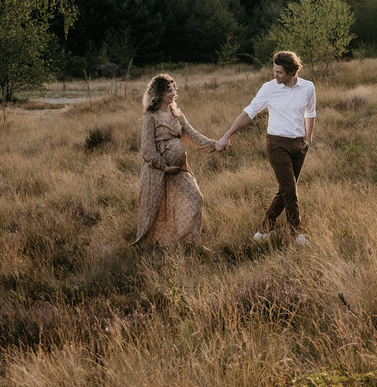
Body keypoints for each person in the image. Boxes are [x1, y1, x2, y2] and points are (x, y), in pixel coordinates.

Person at [215, 51, 316, 245]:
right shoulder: (269, 89)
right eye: (274, 71)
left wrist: (309, 138)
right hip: (277, 144)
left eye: (279, 72)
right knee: (290, 190)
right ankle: (297, 234)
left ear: (291, 71)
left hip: (299, 145)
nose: (275, 75)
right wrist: (227, 135)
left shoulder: (308, 87)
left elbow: (310, 113)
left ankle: (263, 231)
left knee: (286, 189)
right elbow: (248, 113)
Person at [134, 74, 217, 248]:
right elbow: (147, 149)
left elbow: (192, 134)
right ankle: (149, 245)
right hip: (156, 171)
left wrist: (215, 144)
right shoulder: (151, 117)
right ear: (159, 93)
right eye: (168, 91)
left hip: (178, 168)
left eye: (173, 90)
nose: (173, 94)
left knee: (195, 198)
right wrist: (164, 166)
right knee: (154, 210)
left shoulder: (176, 113)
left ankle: (191, 242)